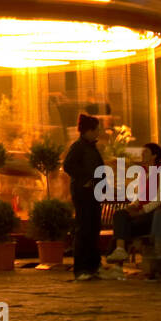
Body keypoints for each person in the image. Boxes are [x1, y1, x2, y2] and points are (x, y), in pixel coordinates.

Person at [64, 112, 106, 281]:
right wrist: (86, 179)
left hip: (93, 192)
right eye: (96, 129)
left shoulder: (90, 147)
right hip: (83, 193)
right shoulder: (79, 147)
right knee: (85, 228)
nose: (98, 132)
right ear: (88, 130)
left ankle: (92, 266)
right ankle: (82, 268)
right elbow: (69, 166)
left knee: (93, 228)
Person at [106, 142, 161, 262]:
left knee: (123, 228)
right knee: (120, 215)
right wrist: (132, 206)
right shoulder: (142, 173)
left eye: (145, 152)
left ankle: (117, 261)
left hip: (154, 214)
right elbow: (138, 196)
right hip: (140, 212)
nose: (142, 154)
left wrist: (142, 211)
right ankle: (120, 251)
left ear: (154, 156)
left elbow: (160, 199)